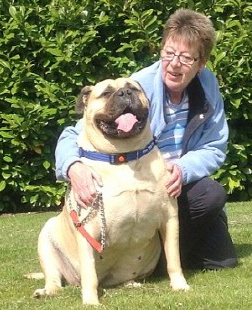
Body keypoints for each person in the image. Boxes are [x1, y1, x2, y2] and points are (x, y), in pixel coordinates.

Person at [55, 8, 238, 270]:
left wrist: (183, 169)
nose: (175, 63)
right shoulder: (135, 87)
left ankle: (161, 258)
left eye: (186, 58)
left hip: (177, 184)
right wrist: (73, 166)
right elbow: (73, 133)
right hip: (142, 185)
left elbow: (214, 146)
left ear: (201, 64)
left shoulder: (208, 86)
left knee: (222, 256)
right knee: (210, 194)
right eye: (169, 53)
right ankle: (152, 258)